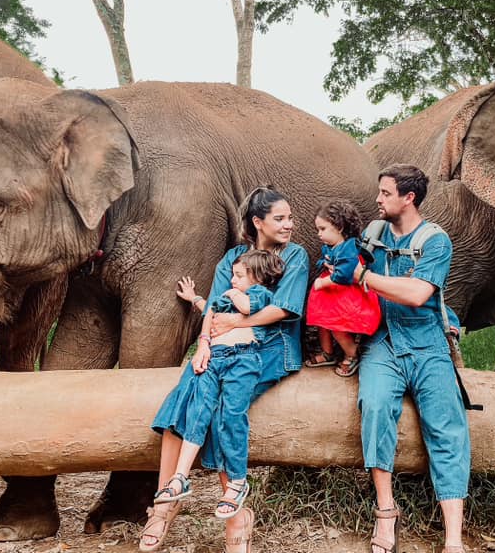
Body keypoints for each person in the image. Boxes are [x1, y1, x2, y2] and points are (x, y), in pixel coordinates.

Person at [139, 186, 309, 553]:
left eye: (290, 218)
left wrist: (236, 326)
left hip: (271, 347)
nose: (289, 225)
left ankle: (236, 517)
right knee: (187, 393)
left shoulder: (294, 257)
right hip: (222, 346)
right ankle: (166, 502)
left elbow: (282, 309)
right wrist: (202, 346)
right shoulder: (232, 258)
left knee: (219, 408)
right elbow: (214, 310)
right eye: (280, 218)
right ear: (257, 222)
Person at [353, 164, 471, 553]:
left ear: (409, 198)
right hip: (381, 342)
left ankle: (453, 535)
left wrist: (365, 279)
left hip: (427, 342)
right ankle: (386, 512)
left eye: (386, 193)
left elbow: (418, 294)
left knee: (447, 425)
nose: (377, 199)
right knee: (374, 406)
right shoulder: (372, 234)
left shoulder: (436, 241)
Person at [148, 249, 284, 517]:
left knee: (232, 414)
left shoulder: (259, 295)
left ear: (257, 277)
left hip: (242, 360)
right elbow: (210, 312)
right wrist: (197, 304)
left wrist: (231, 294)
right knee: (198, 412)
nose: (232, 280)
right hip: (215, 359)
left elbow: (245, 307)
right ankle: (179, 478)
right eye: (232, 275)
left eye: (239, 276)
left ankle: (237, 480)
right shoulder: (230, 295)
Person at [304, 199, 381, 377]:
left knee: (337, 327)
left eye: (322, 229)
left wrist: (323, 282)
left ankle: (352, 353)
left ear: (339, 227)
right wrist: (324, 262)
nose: (318, 234)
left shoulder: (349, 249)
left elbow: (344, 276)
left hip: (346, 294)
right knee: (322, 321)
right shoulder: (331, 246)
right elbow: (328, 260)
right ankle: (327, 352)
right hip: (332, 295)